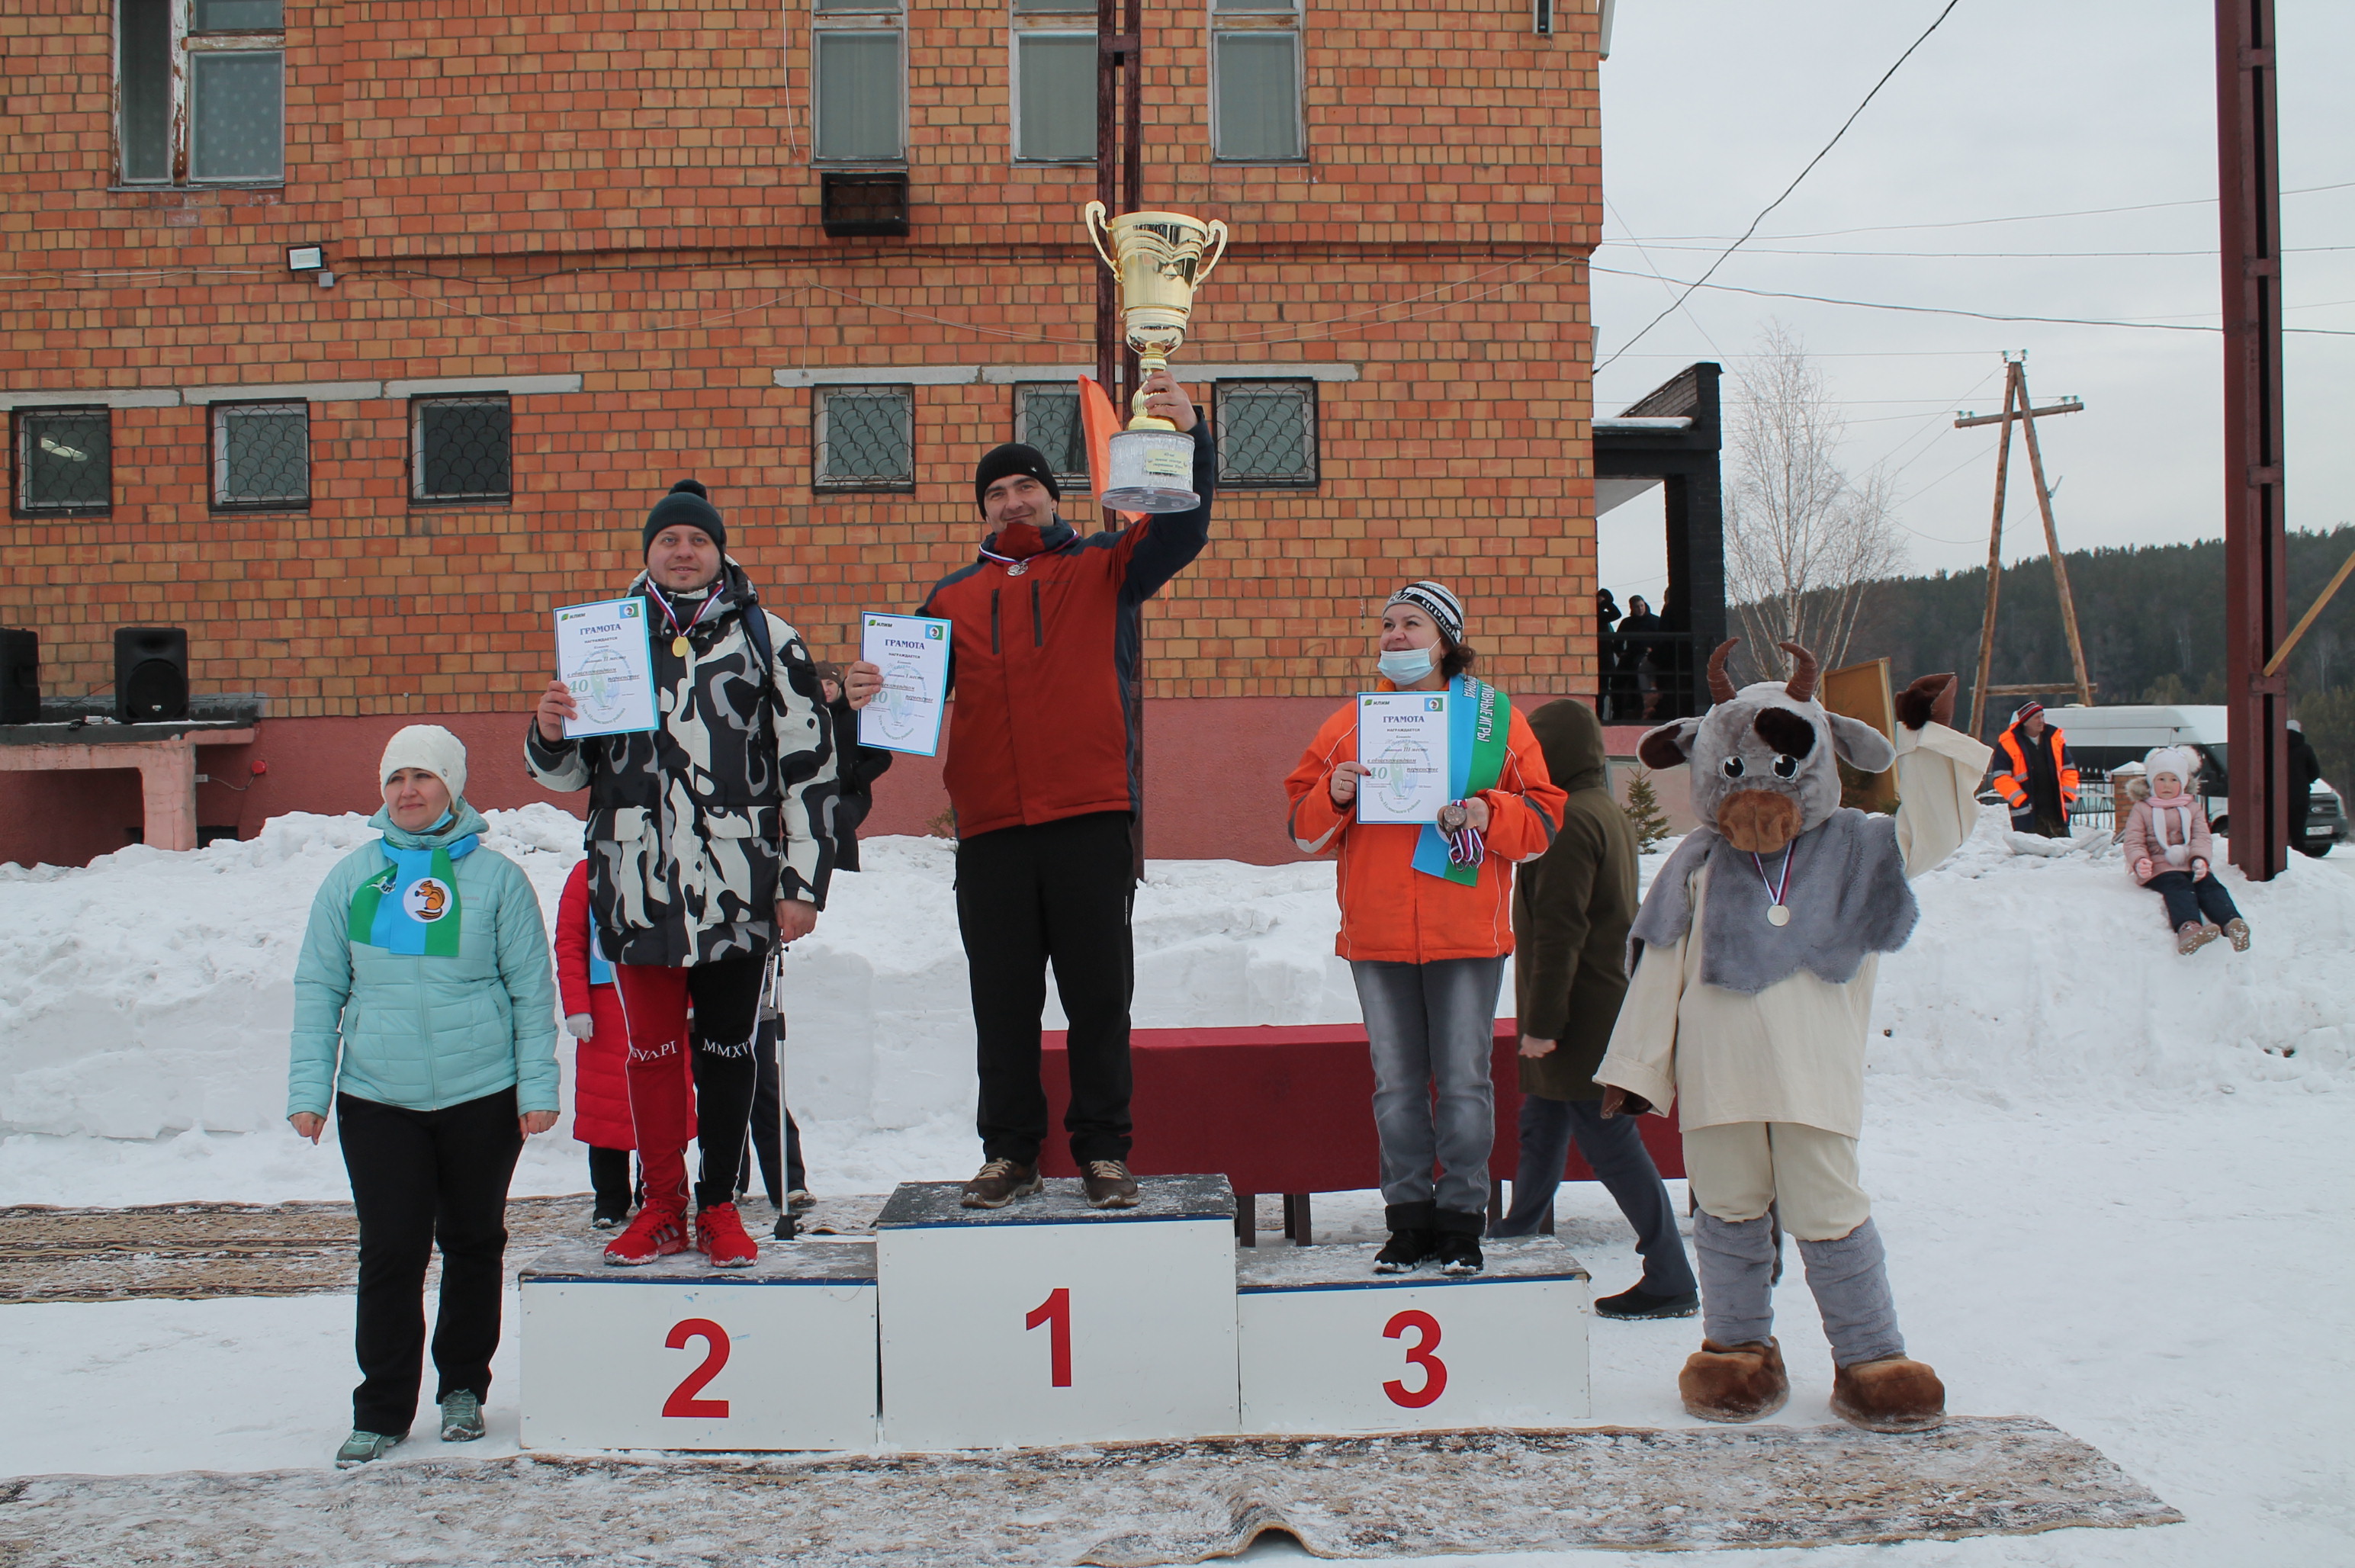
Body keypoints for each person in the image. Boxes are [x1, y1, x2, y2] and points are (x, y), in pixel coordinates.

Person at [844, 368, 1215, 1211]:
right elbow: (902, 712)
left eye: (1027, 487)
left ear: (1054, 495)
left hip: (1088, 821)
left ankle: (1105, 1152)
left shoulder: (1107, 566)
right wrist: (860, 702)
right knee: (1001, 1006)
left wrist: (1188, 437)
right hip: (992, 834)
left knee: (1097, 1000)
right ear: (982, 509)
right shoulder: (948, 599)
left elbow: (1183, 529)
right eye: (998, 492)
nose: (1013, 501)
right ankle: (1007, 1152)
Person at [1596, 642, 1989, 1434]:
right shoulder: (1698, 862)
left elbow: (1936, 834)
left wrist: (1923, 737)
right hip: (1719, 1075)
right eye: (1735, 771)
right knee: (1728, 1213)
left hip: (1812, 1073)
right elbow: (1661, 962)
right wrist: (1636, 1066)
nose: (1758, 793)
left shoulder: (1857, 845)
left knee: (1829, 1210)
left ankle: (1871, 1356)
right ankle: (1736, 1352)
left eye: (1780, 768)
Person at [529, 479, 840, 1269]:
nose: (681, 551)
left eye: (695, 540)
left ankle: (720, 1203)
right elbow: (570, 779)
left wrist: (801, 886)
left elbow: (811, 772)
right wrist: (550, 731)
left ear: (718, 550)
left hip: (737, 889)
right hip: (637, 887)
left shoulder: (771, 640)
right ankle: (660, 1204)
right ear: (648, 552)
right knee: (654, 1055)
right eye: (667, 539)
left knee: (732, 1052)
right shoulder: (606, 639)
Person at [288, 726, 559, 1467]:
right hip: (378, 1098)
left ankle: (463, 1386)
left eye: (425, 776)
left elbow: (532, 992)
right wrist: (310, 1087)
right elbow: (321, 987)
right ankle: (380, 1408)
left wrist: (537, 1085)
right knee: (392, 1251)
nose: (408, 790)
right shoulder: (353, 880)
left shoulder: (497, 880)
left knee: (473, 1242)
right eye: (396, 777)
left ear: (453, 785)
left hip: (483, 1096)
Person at [1284, 581, 1566, 1277]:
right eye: (1385, 624)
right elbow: (1301, 828)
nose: (1394, 636)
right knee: (1397, 1087)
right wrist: (1335, 793)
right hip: (1377, 937)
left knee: (1466, 1083)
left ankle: (1463, 1220)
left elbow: (1544, 822)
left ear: (1446, 639)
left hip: (1466, 934)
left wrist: (1485, 813)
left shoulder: (1495, 718)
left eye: (1411, 624)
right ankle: (1407, 1221)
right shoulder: (1350, 723)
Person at [1494, 697, 1699, 1319]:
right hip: (1601, 1002)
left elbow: (1561, 931)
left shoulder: (1567, 823)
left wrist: (1542, 1027)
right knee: (1541, 1129)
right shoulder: (1602, 810)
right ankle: (1514, 1245)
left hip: (1579, 1016)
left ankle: (1669, 1274)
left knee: (1609, 1144)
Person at [740, 661, 894, 1235]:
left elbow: (864, 763)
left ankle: (787, 1178)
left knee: (753, 1061)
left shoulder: (827, 726)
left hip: (759, 913)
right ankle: (723, 1177)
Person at [556, 857, 692, 1229]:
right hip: (603, 1010)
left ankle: (659, 1193)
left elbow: (687, 936)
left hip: (660, 998)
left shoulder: (668, 869)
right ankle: (610, 1198)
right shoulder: (584, 874)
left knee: (661, 1103)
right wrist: (576, 1006)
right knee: (606, 1110)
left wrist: (691, 1005)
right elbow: (570, 942)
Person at [2123, 745, 2252, 955]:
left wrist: (2200, 858)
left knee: (2210, 885)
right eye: (2161, 779)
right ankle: (2188, 928)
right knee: (2179, 887)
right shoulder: (2142, 808)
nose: (2167, 785)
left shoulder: (2192, 808)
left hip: (2189, 862)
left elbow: (2201, 837)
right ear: (2151, 782)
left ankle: (2232, 922)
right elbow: (2134, 840)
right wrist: (2139, 860)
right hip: (2159, 865)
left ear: (2183, 783)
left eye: (2174, 780)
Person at [1990, 700, 2077, 837]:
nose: (2041, 721)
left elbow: (2069, 770)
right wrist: (2020, 799)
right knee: (2032, 856)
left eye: (2042, 716)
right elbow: (2001, 777)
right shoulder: (2008, 743)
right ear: (2025, 721)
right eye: (2037, 717)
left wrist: (2067, 795)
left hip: (2057, 811)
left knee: (2063, 852)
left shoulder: (2055, 739)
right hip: (2027, 815)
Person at [1614, 595, 1665, 723]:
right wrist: (1620, 652)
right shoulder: (1627, 623)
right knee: (1617, 680)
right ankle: (1618, 713)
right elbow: (1618, 641)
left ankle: (1641, 708)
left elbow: (1662, 640)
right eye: (1637, 607)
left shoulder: (1655, 621)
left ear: (1645, 605)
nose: (1640, 609)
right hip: (1631, 655)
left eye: (1641, 606)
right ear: (1632, 608)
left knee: (1640, 672)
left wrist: (1653, 650)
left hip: (1648, 656)